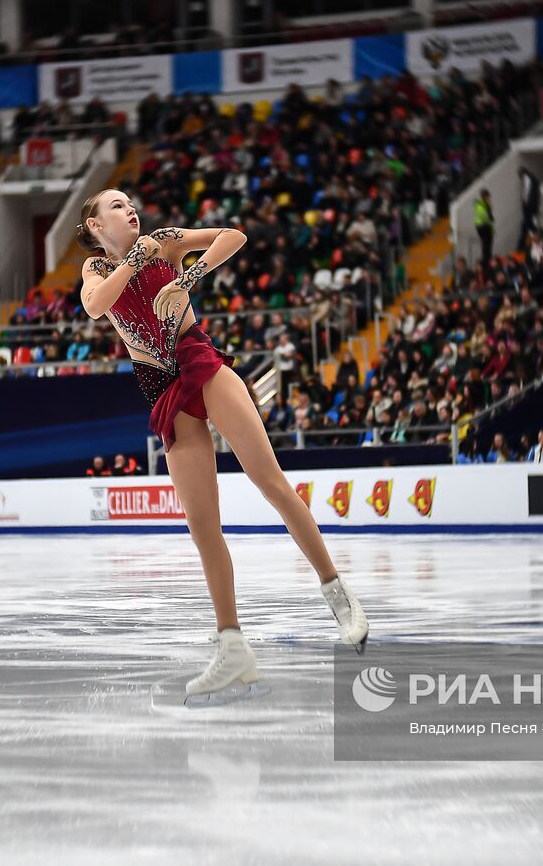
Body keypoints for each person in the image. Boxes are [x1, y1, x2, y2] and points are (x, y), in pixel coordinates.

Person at [77, 188, 367, 702]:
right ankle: (233, 648)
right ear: (96, 225)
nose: (129, 209)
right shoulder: (96, 271)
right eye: (116, 206)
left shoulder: (164, 241)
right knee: (202, 526)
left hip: (200, 364)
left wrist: (187, 274)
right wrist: (136, 258)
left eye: (129, 203)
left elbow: (233, 236)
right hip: (164, 389)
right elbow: (98, 308)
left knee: (272, 484)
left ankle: (337, 593)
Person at [518, 166, 540, 249]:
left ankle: (535, 232)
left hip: (529, 205)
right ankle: (521, 246)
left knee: (528, 222)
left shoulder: (527, 178)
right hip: (530, 205)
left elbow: (527, 192)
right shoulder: (530, 179)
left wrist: (525, 203)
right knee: (526, 225)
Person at [473, 188, 494, 265]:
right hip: (483, 226)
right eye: (488, 197)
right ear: (485, 196)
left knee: (487, 245)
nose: (489, 199)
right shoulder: (481, 204)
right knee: (486, 245)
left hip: (484, 226)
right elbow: (484, 215)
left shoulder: (482, 204)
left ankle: (488, 259)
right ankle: (486, 261)